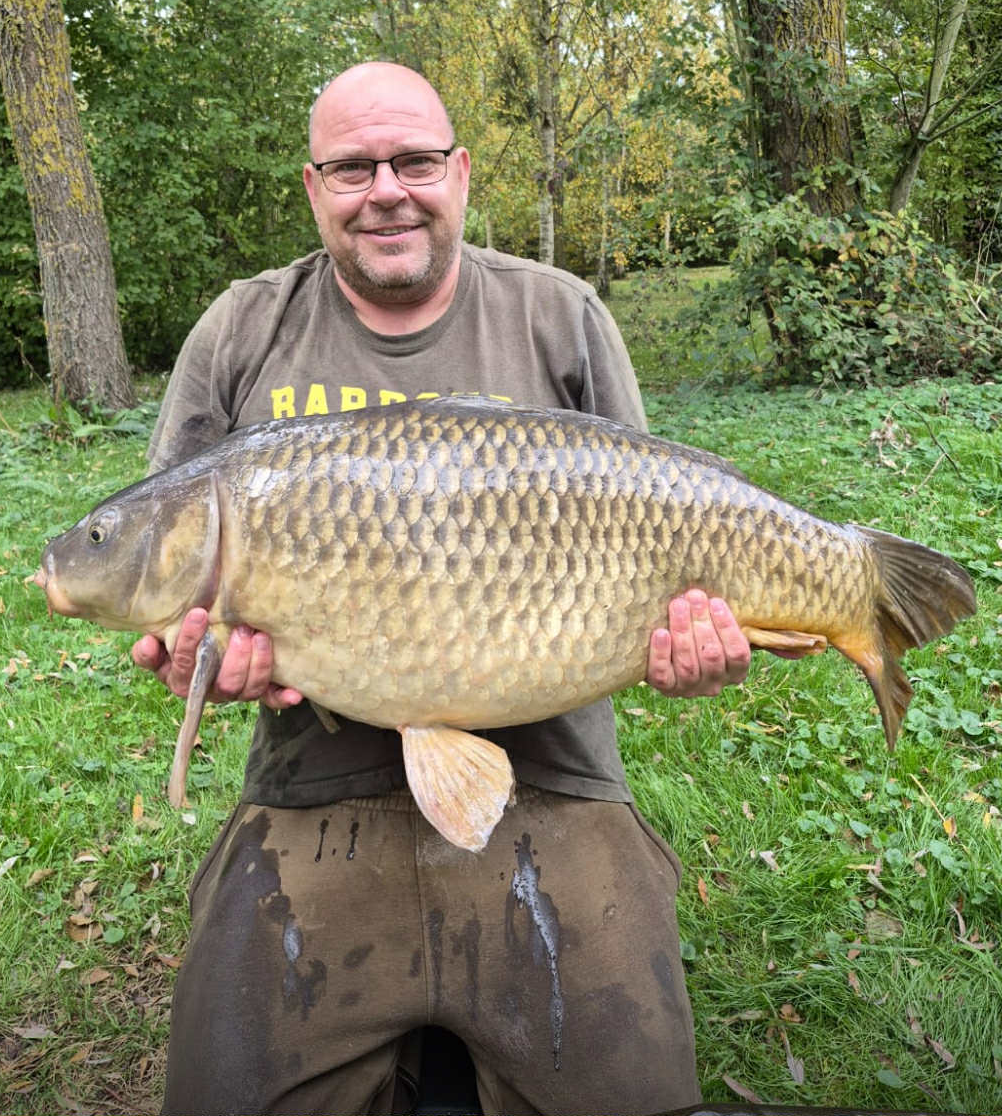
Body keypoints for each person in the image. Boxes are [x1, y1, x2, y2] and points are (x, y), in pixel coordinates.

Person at [134, 61, 753, 1116]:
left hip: (554, 775)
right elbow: (171, 556)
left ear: (460, 172)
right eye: (353, 168)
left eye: (415, 161)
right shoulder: (242, 330)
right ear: (313, 186)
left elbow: (665, 525)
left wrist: (694, 641)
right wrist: (199, 657)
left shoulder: (560, 316)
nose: (387, 191)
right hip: (311, 788)